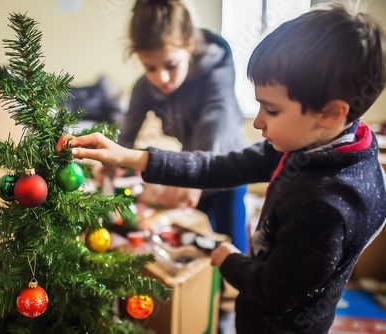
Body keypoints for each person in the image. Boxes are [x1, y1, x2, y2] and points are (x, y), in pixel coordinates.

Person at [57, 2, 386, 332]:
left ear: (330, 113)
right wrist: (128, 156)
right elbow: (219, 165)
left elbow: (276, 291)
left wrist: (229, 259)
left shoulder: (326, 206)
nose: (257, 122)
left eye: (271, 110)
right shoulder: (321, 142)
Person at [117, 0, 249, 253]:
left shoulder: (215, 67)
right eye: (150, 68)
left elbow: (213, 124)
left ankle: (234, 292)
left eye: (170, 65)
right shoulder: (145, 87)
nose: (161, 78)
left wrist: (191, 179)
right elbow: (126, 134)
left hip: (229, 167)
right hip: (193, 167)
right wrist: (112, 164)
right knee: (200, 243)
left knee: (232, 244)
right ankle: (205, 290)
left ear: (189, 45)